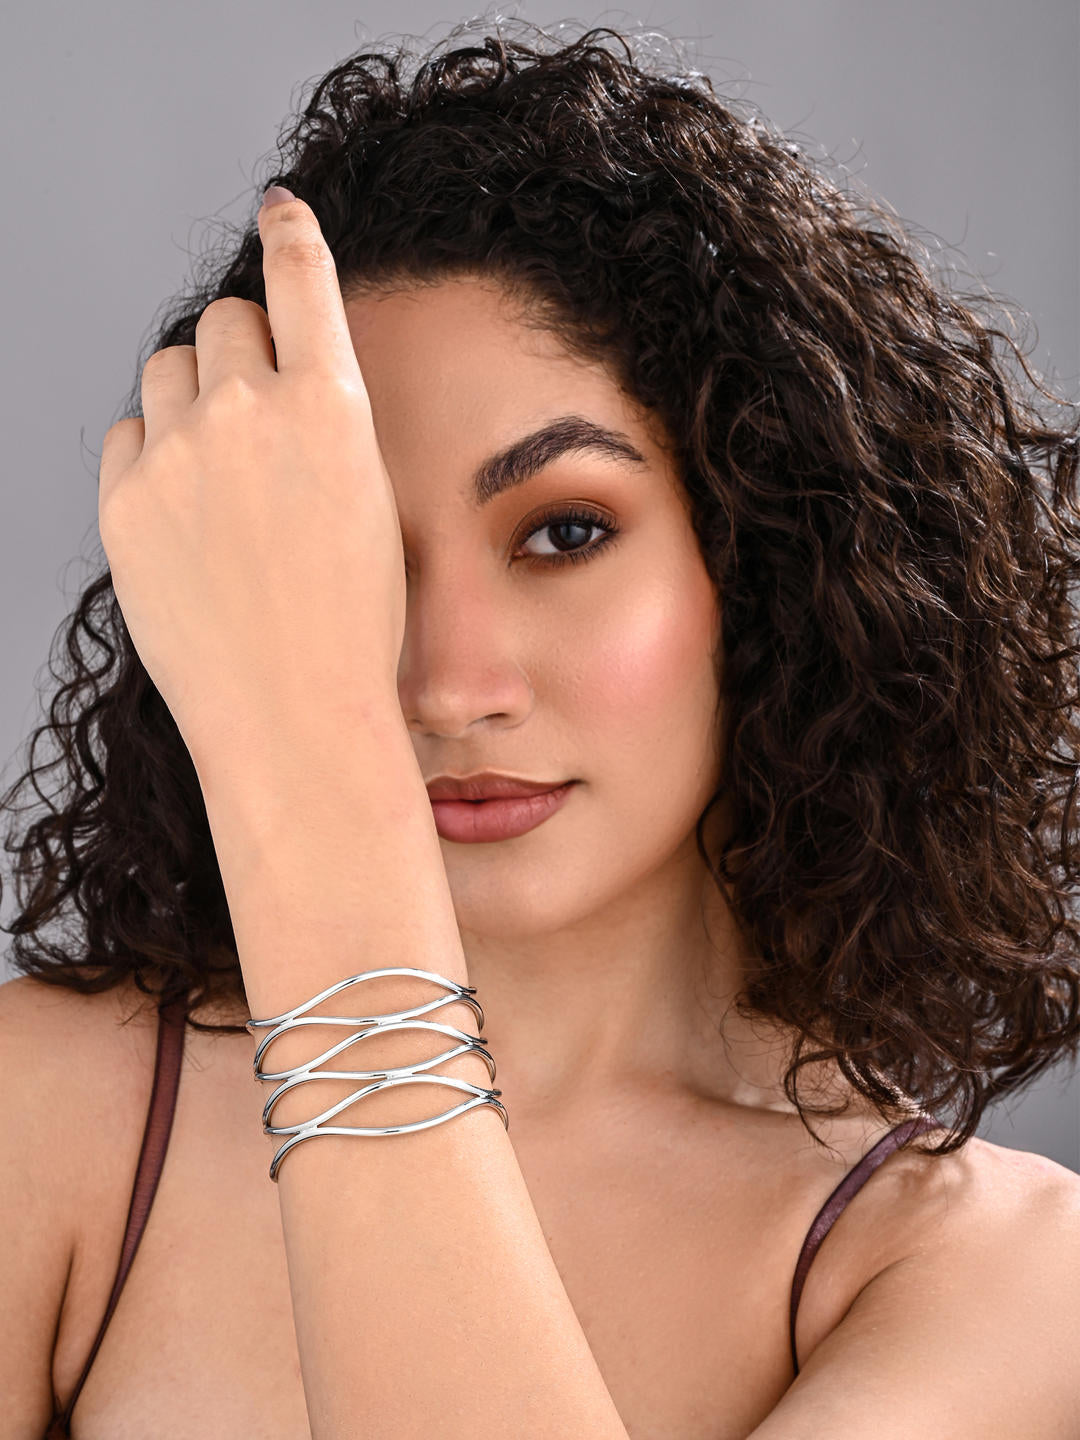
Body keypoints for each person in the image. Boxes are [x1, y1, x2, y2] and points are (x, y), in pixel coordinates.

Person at [3, 17, 1079, 1438]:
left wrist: (312, 817)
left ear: (766, 560)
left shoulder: (987, 1274)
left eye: (565, 532)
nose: (450, 686)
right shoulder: (49, 1118)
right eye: (359, 564)